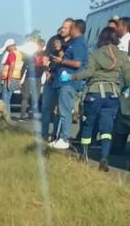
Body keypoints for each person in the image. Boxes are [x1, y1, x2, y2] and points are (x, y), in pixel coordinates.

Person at [71, 27, 130, 172]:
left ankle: (84, 155)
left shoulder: (95, 53)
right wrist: (127, 88)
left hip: (94, 94)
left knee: (88, 125)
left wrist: (73, 77)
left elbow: (89, 72)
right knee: (107, 128)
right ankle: (104, 157)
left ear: (101, 38)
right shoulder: (122, 55)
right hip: (113, 96)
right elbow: (128, 76)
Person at [47, 19, 88, 150]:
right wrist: (60, 53)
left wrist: (62, 61)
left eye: (70, 27)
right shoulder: (74, 43)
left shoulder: (79, 43)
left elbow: (77, 63)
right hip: (63, 81)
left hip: (69, 82)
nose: (67, 30)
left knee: (65, 112)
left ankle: (64, 138)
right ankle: (59, 137)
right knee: (61, 111)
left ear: (75, 28)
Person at [19, 39, 45, 121]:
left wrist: (20, 78)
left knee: (30, 97)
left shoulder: (34, 55)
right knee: (30, 97)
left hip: (34, 77)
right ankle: (26, 114)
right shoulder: (41, 55)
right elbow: (24, 67)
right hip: (33, 77)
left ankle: (27, 114)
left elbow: (24, 67)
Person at [0, 39, 24, 115]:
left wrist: (9, 80)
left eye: (7, 48)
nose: (7, 50)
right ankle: (7, 117)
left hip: (10, 79)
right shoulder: (19, 54)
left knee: (5, 100)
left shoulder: (12, 54)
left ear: (10, 46)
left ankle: (6, 118)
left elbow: (12, 65)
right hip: (16, 78)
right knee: (7, 99)